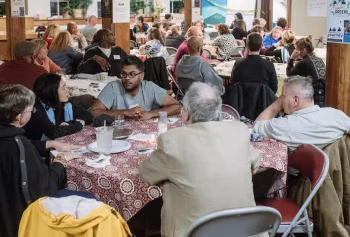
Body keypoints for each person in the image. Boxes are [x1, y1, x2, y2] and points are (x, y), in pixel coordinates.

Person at [138, 82, 260, 237]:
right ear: (218, 111)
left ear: (187, 114)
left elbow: (145, 174)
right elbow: (255, 164)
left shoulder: (172, 141)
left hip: (194, 232)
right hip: (243, 230)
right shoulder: (239, 131)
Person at [0, 84, 81, 237]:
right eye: (31, 110)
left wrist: (49, 144)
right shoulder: (20, 147)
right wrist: (60, 162)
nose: (33, 113)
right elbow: (44, 191)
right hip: (20, 223)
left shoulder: (9, 138)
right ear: (19, 116)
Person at [253, 76, 350, 151]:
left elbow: (256, 127)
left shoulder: (284, 126)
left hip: (296, 174)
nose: (281, 99)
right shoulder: (336, 115)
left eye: (283, 96)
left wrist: (277, 105)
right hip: (330, 171)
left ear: (295, 100)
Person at [89, 55, 180, 120]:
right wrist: (125, 112)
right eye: (123, 74)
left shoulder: (149, 87)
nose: (127, 78)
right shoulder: (113, 87)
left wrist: (150, 114)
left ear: (142, 75)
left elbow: (176, 106)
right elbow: (93, 112)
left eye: (132, 74)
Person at [24, 73, 93, 141]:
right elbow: (54, 133)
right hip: (38, 149)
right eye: (63, 88)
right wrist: (78, 124)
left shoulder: (64, 104)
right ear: (52, 93)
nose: (67, 90)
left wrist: (69, 124)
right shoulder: (37, 109)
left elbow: (89, 116)